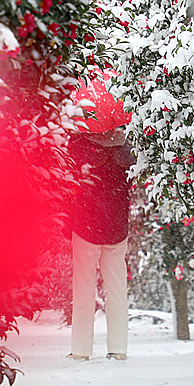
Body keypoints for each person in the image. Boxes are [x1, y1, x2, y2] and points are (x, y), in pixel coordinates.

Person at [67, 126, 134, 361]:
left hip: (86, 225)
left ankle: (81, 350)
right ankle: (118, 349)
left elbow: (70, 183)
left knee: (84, 288)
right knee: (117, 290)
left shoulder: (78, 145)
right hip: (117, 227)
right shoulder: (127, 148)